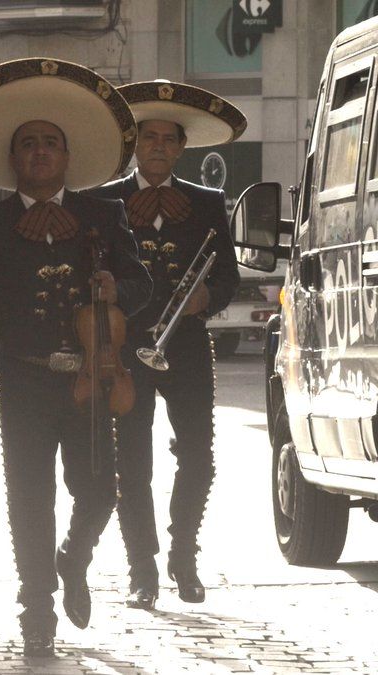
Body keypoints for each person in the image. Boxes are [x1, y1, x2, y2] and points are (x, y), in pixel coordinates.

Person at [0, 58, 151, 657]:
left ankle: (73, 557)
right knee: (29, 498)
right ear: (14, 158)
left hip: (92, 379)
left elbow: (142, 286)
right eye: (29, 144)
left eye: (50, 143)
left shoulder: (102, 214)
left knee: (101, 491)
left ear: (66, 156)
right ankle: (36, 609)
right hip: (24, 382)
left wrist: (117, 287)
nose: (39, 152)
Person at [86, 80, 245, 609]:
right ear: (134, 145)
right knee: (132, 460)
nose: (157, 146)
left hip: (188, 344)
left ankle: (184, 555)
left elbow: (227, 276)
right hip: (126, 346)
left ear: (180, 148)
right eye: (148, 137)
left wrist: (207, 298)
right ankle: (142, 569)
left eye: (167, 139)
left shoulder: (205, 202)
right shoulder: (104, 200)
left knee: (199, 455)